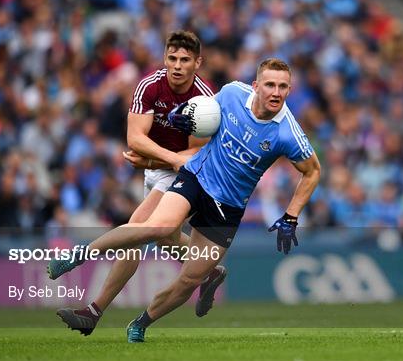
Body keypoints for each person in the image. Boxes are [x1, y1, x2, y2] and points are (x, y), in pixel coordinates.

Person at [48, 58, 321, 343]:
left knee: (189, 280)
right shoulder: (232, 94)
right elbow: (201, 118)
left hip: (227, 208)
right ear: (256, 86)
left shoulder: (287, 132)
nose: (276, 92)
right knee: (159, 228)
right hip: (197, 178)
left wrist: (290, 216)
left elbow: (312, 171)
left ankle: (141, 322)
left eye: (283, 87)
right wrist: (182, 116)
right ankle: (78, 255)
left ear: (289, 90)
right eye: (269, 85)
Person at [53, 30, 226, 336]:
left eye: (185, 60)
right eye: (172, 58)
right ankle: (210, 270)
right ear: (164, 57)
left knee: (137, 230)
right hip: (164, 165)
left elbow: (196, 153)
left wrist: (156, 159)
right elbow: (135, 139)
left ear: (197, 62)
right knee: (164, 238)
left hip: (190, 170)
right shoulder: (149, 86)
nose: (177, 65)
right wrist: (163, 160)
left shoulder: (204, 98)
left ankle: (92, 309)